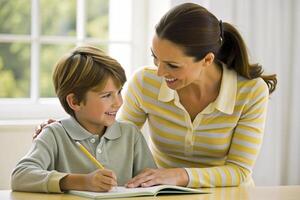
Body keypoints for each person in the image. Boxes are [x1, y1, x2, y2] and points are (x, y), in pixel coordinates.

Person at [34, 3, 277, 188]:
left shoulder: (251, 92)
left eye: (172, 65)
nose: (160, 72)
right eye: (155, 58)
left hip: (228, 194)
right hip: (160, 191)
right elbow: (118, 137)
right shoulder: (146, 83)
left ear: (207, 60)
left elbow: (238, 170)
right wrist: (68, 128)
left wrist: (179, 174)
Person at [11, 46, 157, 193]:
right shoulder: (54, 134)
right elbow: (20, 176)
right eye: (106, 95)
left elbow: (153, 182)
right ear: (74, 102)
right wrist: (81, 181)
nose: (118, 102)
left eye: (119, 92)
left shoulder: (130, 134)